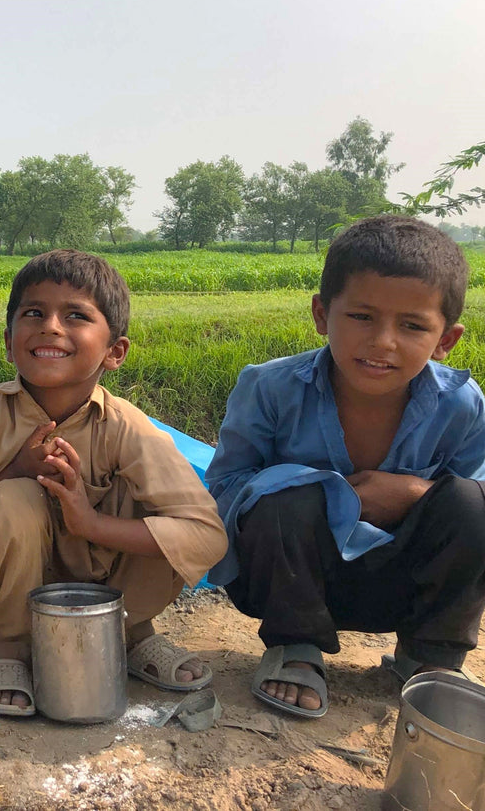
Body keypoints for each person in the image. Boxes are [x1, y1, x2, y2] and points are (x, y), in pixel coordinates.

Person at [206, 214, 485, 718]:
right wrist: (334, 493)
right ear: (320, 314)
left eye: (413, 325)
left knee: (470, 500)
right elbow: (225, 488)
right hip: (291, 582)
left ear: (446, 339)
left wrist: (416, 494)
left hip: (404, 585)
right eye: (361, 316)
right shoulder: (269, 388)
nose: (383, 341)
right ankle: (296, 649)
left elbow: (475, 500)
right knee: (278, 495)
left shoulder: (461, 403)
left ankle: (431, 657)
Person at [0, 250, 228, 716]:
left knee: (150, 503)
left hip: (111, 599)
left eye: (75, 316)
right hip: (3, 605)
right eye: (34, 312)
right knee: (13, 498)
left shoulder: (127, 427)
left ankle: (129, 634)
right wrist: (15, 472)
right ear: (9, 342)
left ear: (115, 352)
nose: (50, 326)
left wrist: (89, 523)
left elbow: (205, 533)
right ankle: (5, 648)